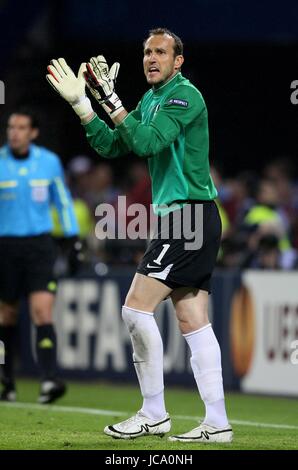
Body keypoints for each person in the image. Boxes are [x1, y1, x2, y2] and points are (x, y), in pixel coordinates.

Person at [46, 27, 233, 443]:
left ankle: (153, 413)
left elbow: (147, 143)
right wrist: (83, 106)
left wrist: (111, 101)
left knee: (135, 309)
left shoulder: (186, 96)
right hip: (184, 218)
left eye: (161, 52)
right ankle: (217, 422)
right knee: (192, 319)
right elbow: (115, 146)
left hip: (189, 215)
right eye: (147, 52)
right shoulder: (150, 99)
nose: (151, 58)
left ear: (177, 60)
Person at [0, 109, 79, 403]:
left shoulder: (48, 163)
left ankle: (49, 379)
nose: (14, 133)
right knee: (6, 315)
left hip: (39, 246)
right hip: (5, 246)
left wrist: (72, 239)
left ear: (33, 132)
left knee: (42, 311)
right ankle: (6, 380)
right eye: (11, 127)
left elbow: (63, 201)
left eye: (21, 127)